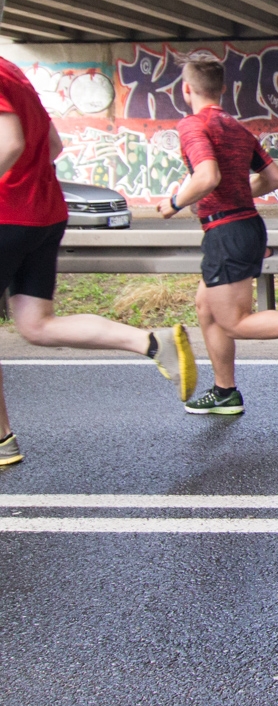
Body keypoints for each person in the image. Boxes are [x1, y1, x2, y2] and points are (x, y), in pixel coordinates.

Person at [0, 55, 198, 465]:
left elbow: (10, 142)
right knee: (37, 325)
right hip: (45, 214)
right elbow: (53, 144)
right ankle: (150, 342)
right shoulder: (12, 71)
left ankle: (2, 438)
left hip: (7, 214)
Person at [156, 53, 278, 413]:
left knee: (234, 322)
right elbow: (274, 178)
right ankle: (225, 391)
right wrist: (238, 192)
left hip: (226, 231)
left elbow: (206, 176)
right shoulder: (236, 128)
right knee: (207, 308)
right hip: (245, 226)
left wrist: (173, 202)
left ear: (186, 89)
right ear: (223, 89)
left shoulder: (192, 126)